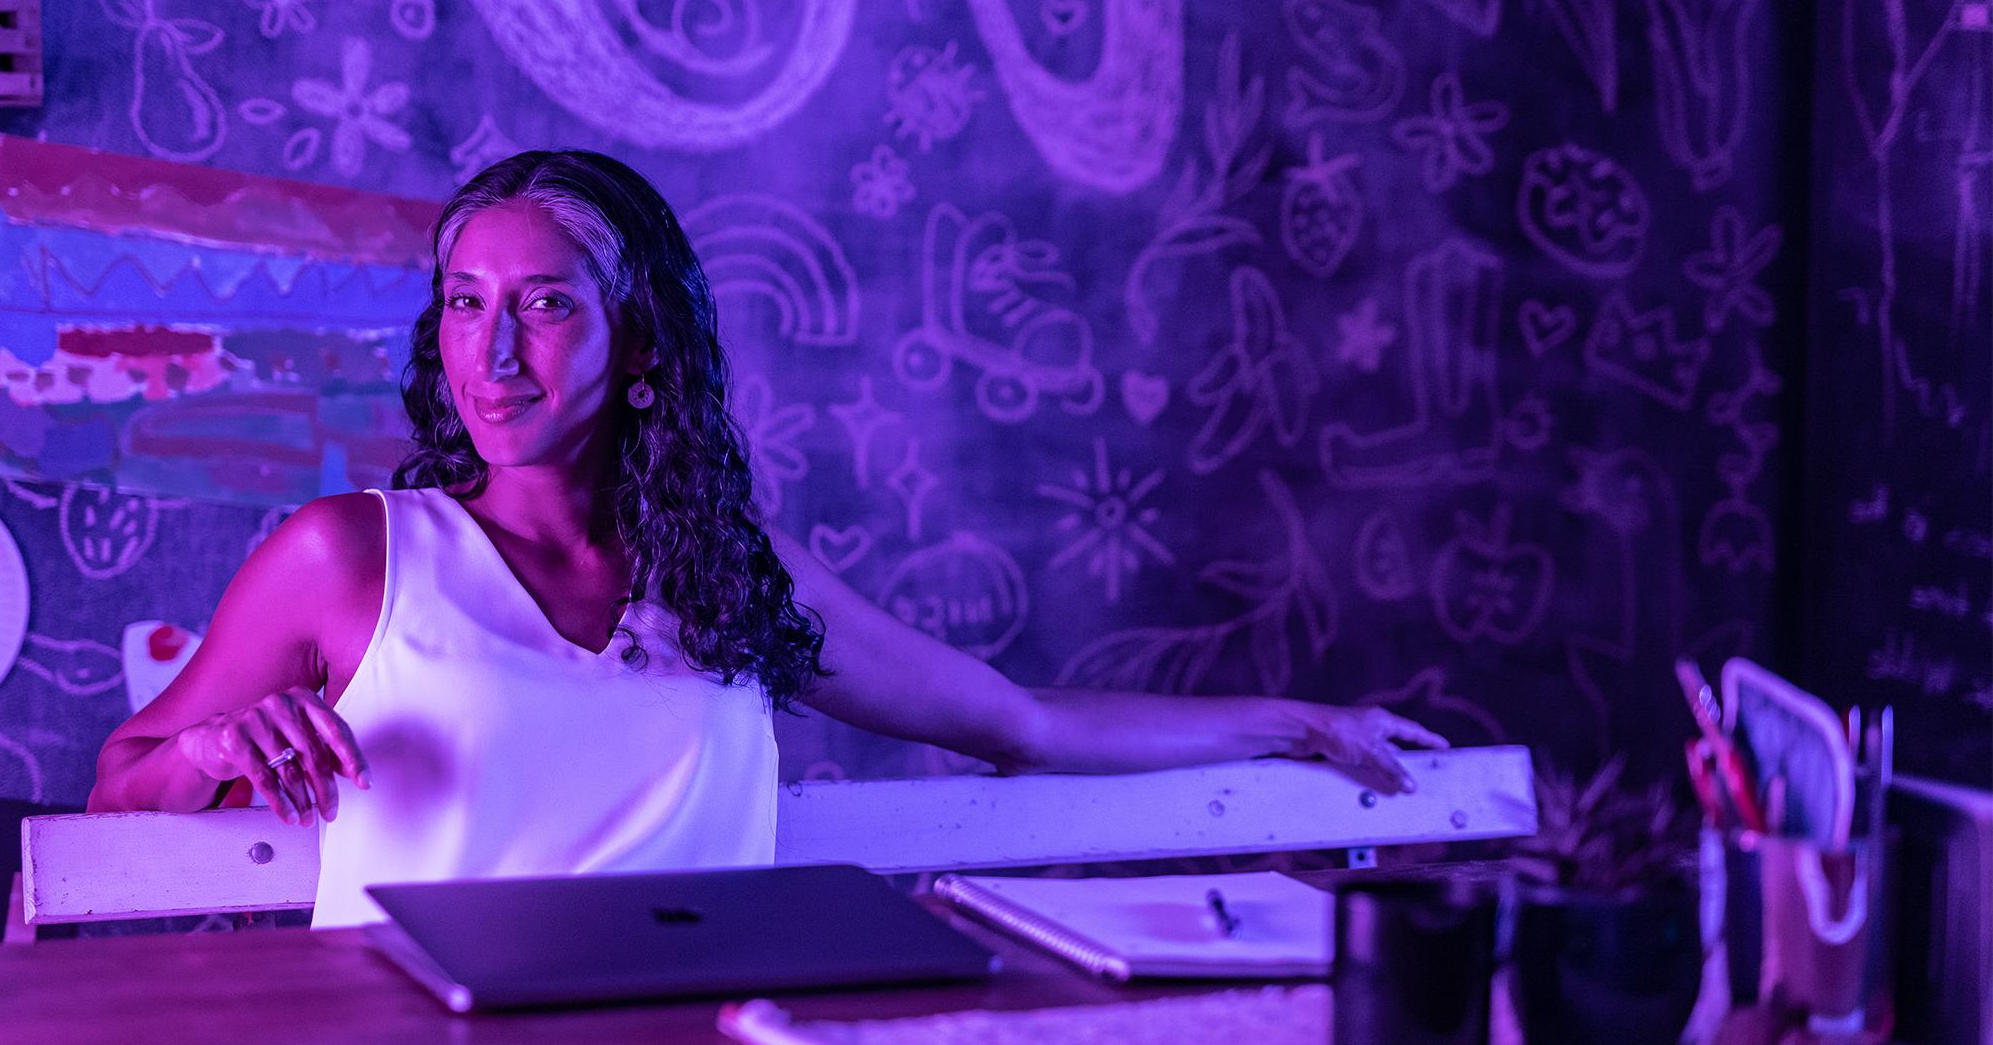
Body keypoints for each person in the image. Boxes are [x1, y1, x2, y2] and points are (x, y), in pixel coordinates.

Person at [88, 150, 1446, 927]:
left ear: (637, 351)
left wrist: (1301, 723)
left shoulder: (728, 575)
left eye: (547, 306)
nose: (491, 354)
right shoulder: (353, 557)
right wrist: (209, 750)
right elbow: (120, 791)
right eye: (461, 304)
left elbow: (1022, 726)